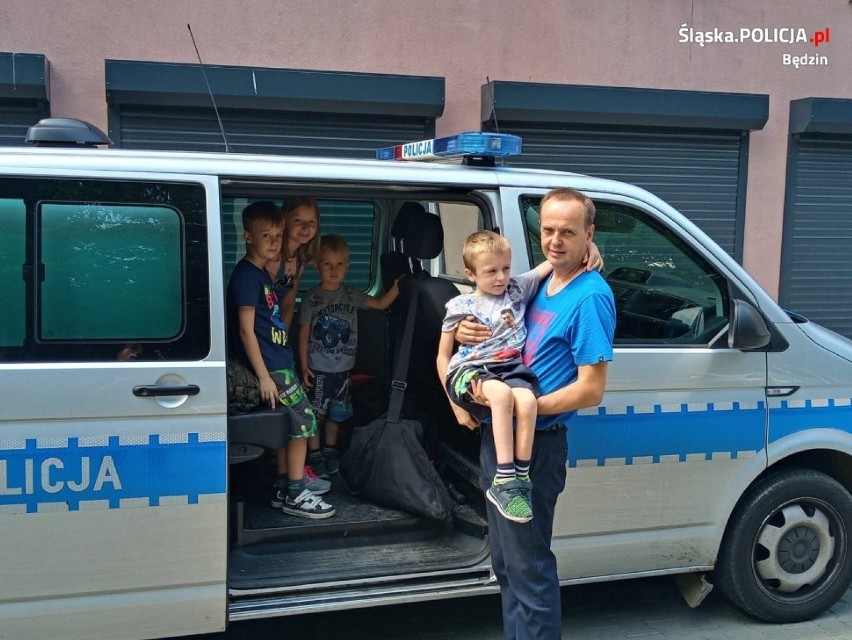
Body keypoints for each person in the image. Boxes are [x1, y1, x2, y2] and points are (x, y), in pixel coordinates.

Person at [455, 188, 616, 640]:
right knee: (507, 563)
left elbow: (591, 389)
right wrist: (468, 328)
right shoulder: (545, 281)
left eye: (569, 231)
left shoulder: (590, 297)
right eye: (548, 229)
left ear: (589, 234)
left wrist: (520, 409)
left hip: (535, 446)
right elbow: (496, 297)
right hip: (501, 438)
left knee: (528, 566)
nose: (555, 240)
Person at [226, 200, 335, 519]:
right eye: (266, 236)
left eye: (277, 236)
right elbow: (246, 332)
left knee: (293, 425)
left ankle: (285, 485)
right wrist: (262, 376)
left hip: (279, 360)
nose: (274, 242)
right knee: (304, 422)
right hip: (272, 368)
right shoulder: (247, 276)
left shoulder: (261, 274)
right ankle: (296, 493)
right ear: (248, 237)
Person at [437, 231, 553, 524]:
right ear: (470, 274)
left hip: (509, 367)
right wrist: (455, 405)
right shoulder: (460, 306)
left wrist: (588, 246)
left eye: (505, 268)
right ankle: (503, 479)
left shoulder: (516, 288)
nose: (501, 277)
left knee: (527, 401)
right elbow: (442, 356)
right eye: (491, 271)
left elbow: (546, 265)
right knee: (501, 396)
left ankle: (520, 479)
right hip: (469, 369)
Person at [298, 233, 401, 475]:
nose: (334, 270)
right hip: (317, 369)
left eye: (339, 264)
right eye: (327, 264)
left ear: (348, 266)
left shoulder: (352, 294)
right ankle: (314, 453)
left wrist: (398, 287)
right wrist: (303, 366)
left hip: (343, 369)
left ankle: (331, 449)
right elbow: (303, 333)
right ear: (316, 266)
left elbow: (380, 304)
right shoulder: (312, 297)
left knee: (337, 414)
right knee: (315, 414)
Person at [264, 196, 329, 493]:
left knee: (286, 415)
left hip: (276, 341)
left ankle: (286, 476)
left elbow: (288, 303)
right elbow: (262, 305)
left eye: (311, 222)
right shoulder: (270, 257)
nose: (305, 228)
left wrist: (283, 343)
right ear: (284, 221)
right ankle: (293, 482)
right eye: (298, 221)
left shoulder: (299, 259)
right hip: (260, 337)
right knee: (298, 415)